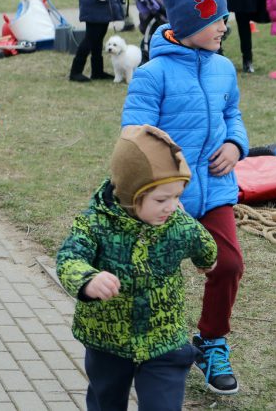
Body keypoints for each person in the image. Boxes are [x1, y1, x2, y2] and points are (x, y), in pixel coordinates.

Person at [122, 0, 249, 396]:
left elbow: (233, 114)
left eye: (224, 19)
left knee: (227, 264)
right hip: (164, 200)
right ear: (192, 24)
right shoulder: (152, 73)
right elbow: (136, 135)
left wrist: (235, 144)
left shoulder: (224, 69)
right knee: (153, 275)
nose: (224, 27)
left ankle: (211, 340)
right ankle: (145, 342)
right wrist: (163, 186)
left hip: (215, 192)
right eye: (217, 20)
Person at [57, 125, 217, 411]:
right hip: (107, 338)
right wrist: (87, 279)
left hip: (164, 339)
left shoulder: (177, 224)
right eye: (161, 199)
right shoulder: (95, 224)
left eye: (177, 197)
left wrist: (208, 260)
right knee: (106, 401)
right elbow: (69, 257)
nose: (171, 207)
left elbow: (204, 246)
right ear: (131, 194)